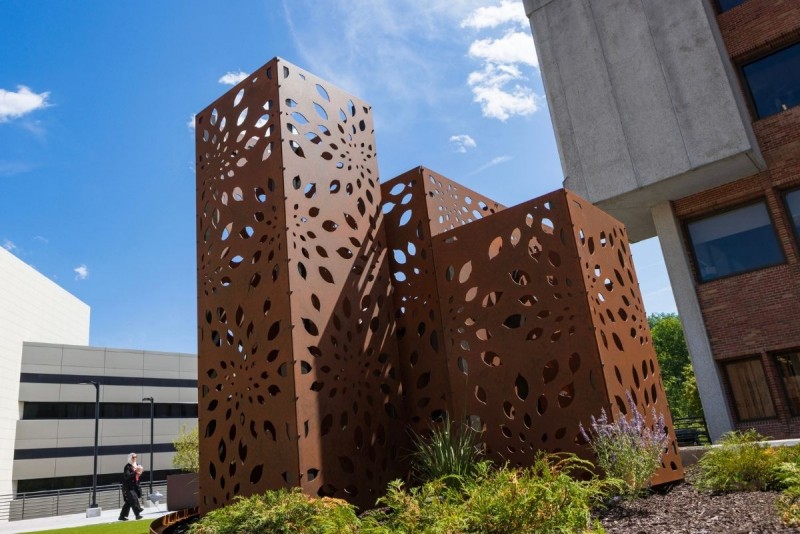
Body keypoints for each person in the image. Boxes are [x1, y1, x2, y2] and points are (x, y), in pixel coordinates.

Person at [119, 452, 144, 521]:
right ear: (130, 458)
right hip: (128, 487)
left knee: (128, 502)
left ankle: (122, 516)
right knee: (134, 498)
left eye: (136, 457)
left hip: (135, 486)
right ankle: (137, 514)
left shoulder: (137, 465)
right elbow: (127, 476)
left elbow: (137, 476)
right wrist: (135, 471)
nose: (135, 458)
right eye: (133, 457)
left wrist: (140, 472)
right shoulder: (127, 466)